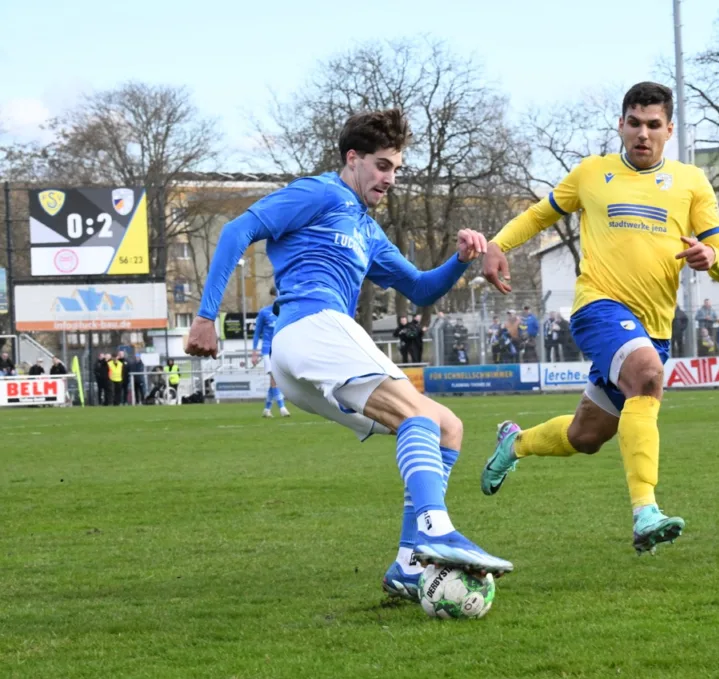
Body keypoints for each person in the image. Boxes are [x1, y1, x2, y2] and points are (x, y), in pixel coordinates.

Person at [183, 107, 512, 601]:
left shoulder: (366, 229)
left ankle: (406, 565)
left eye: (397, 169)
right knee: (418, 415)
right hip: (311, 327)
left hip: (310, 351)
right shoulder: (320, 192)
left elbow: (420, 289)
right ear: (353, 158)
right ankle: (435, 530)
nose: (390, 178)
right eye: (382, 166)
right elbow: (236, 232)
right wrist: (206, 316)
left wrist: (460, 261)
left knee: (446, 426)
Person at [479, 82, 719, 554]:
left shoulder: (692, 182)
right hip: (599, 307)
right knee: (648, 376)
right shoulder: (593, 174)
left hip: (652, 327)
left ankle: (513, 444)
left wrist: (710, 257)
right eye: (634, 123)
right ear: (620, 125)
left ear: (669, 130)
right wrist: (498, 245)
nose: (643, 134)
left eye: (653, 125)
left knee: (587, 435)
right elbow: (539, 214)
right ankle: (646, 513)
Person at [252, 289, 290, 418]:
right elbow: (257, 333)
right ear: (272, 297)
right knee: (274, 377)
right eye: (275, 296)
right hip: (267, 350)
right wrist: (254, 352)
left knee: (274, 380)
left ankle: (267, 409)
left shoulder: (284, 312)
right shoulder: (264, 312)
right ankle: (282, 407)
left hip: (279, 349)